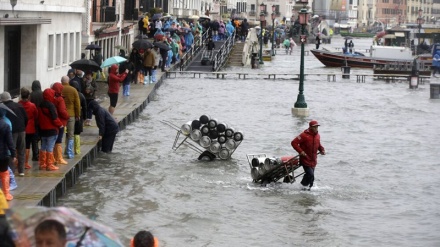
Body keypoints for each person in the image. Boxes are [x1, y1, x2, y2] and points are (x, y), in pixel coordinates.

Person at [291, 120, 326, 190]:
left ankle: (305, 189)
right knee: (310, 175)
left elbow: (318, 145)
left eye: (317, 127)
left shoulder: (317, 136)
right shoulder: (304, 135)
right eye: (314, 127)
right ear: (310, 127)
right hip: (305, 159)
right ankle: (304, 188)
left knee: (310, 176)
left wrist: (322, 150)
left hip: (313, 160)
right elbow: (293, 143)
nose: (316, 128)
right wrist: (301, 151)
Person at [1, 92, 28, 177]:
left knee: (10, 151)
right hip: (22, 130)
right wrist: (23, 127)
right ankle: (21, 171)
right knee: (21, 151)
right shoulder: (19, 105)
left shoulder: (4, 108)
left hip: (12, 132)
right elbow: (26, 117)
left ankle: (11, 171)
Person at [38, 89, 63, 171]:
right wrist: (61, 125)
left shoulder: (40, 104)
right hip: (52, 129)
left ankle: (42, 164)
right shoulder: (51, 106)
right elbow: (54, 118)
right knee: (50, 147)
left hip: (43, 129)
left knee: (43, 146)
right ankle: (50, 165)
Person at [18, 87, 38, 170]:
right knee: (27, 146)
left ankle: (19, 161)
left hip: (21, 127)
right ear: (29, 96)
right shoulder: (32, 105)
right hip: (30, 128)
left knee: (19, 145)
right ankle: (25, 162)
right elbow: (36, 115)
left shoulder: (18, 104)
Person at [50, 82, 69, 166]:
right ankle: (59, 158)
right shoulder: (60, 99)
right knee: (59, 140)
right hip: (61, 122)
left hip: (54, 121)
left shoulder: (51, 98)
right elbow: (62, 111)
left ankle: (53, 157)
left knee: (54, 140)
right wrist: (67, 116)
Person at [0, 108, 16, 201]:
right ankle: (6, 193)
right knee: (4, 173)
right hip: (3, 154)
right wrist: (13, 154)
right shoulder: (5, 125)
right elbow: (10, 142)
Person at [30, 80, 44, 161]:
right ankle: (43, 154)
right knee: (43, 137)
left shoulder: (31, 95)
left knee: (34, 138)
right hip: (42, 117)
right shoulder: (43, 94)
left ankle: (35, 155)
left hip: (34, 118)